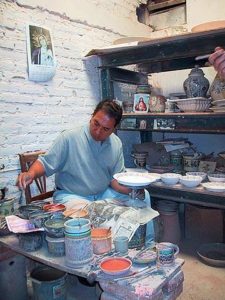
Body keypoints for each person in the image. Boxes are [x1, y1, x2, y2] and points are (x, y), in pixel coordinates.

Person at [17, 100, 133, 204]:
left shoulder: (116, 143)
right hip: (72, 196)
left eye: (106, 129)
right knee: (88, 216)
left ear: (114, 128)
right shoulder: (69, 137)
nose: (98, 131)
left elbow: (114, 180)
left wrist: (134, 190)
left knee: (140, 199)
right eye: (96, 123)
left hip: (102, 195)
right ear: (91, 117)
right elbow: (45, 163)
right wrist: (30, 174)